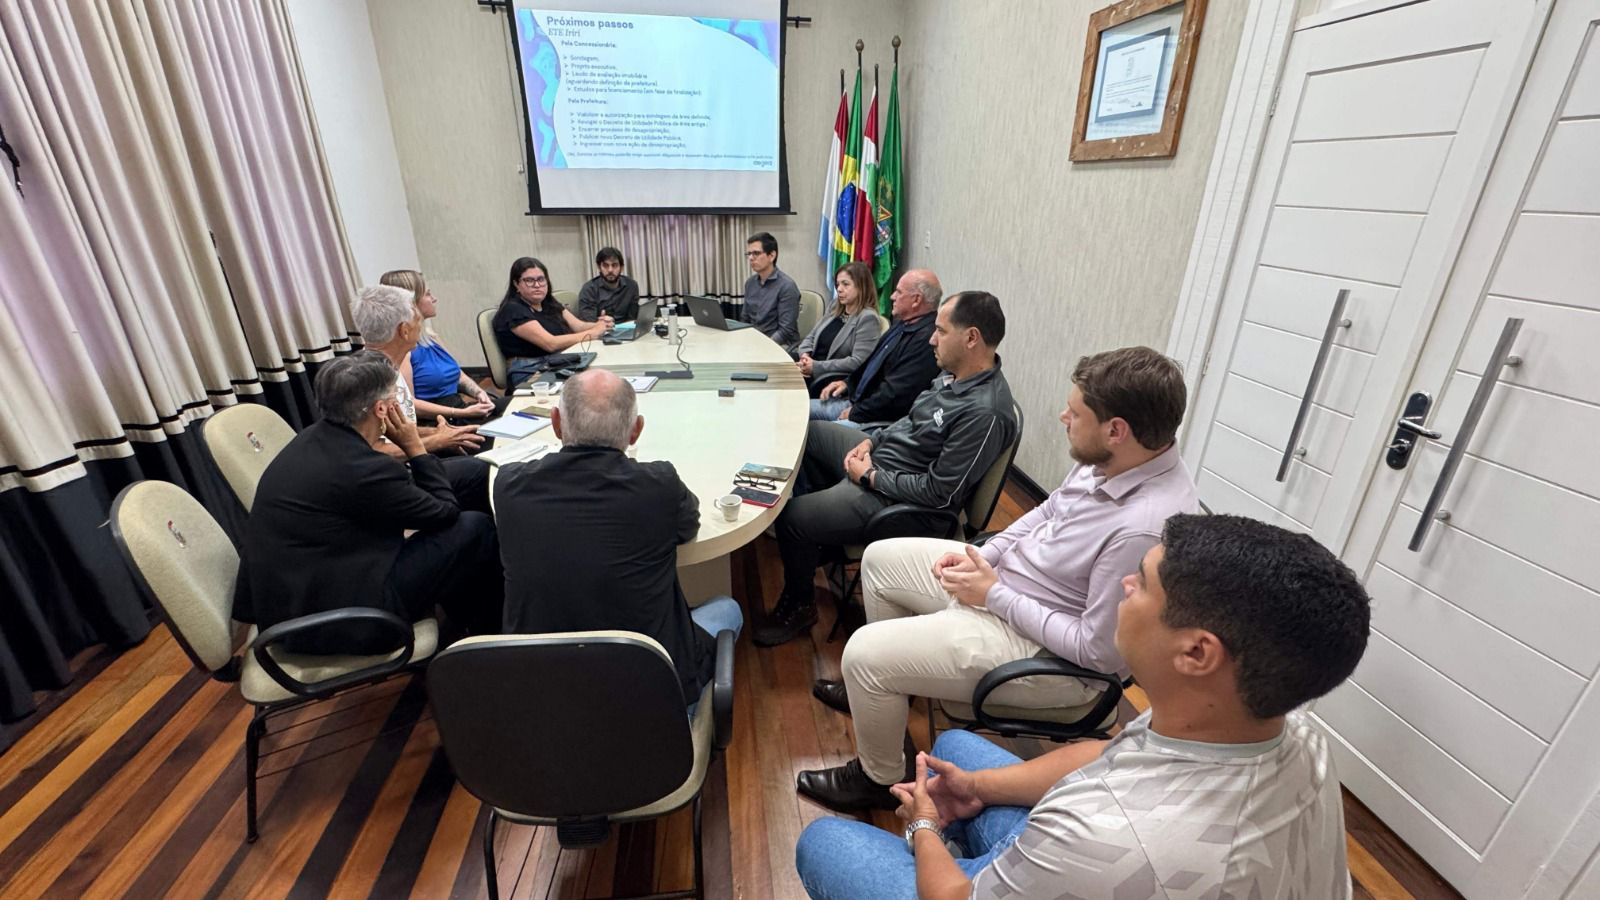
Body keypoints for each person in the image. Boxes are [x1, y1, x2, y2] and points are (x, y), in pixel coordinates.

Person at [794, 513, 1371, 899]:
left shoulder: (1107, 837)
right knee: (956, 749)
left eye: (1142, 583)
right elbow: (1114, 753)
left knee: (825, 843)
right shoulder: (1280, 727)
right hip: (1115, 856)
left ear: (1197, 653)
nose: (1123, 586)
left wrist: (922, 825)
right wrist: (977, 788)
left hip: (1112, 859)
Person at [797, 347, 1199, 811]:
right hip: (1007, 589)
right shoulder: (1114, 458)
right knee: (880, 560)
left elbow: (1097, 652)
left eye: (1076, 412)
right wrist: (983, 555)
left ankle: (879, 779)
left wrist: (993, 595)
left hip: (1049, 652)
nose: (1063, 416)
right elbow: (1048, 510)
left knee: (864, 655)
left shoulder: (1142, 527)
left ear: (1116, 430)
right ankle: (891, 694)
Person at [754, 291, 1017, 649]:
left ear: (971, 338)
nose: (931, 339)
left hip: (897, 500)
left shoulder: (985, 412)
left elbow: (940, 494)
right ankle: (817, 542)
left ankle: (800, 605)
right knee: (809, 434)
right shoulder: (954, 376)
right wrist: (871, 442)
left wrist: (870, 476)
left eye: (941, 331)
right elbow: (909, 420)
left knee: (792, 517)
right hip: (881, 461)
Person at [495, 369, 744, 709]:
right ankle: (691, 716)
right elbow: (687, 526)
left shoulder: (509, 487)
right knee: (727, 609)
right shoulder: (659, 485)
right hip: (650, 701)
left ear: (555, 423)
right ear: (636, 430)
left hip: (545, 700)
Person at [234, 351, 504, 653]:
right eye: (395, 397)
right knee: (474, 527)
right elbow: (446, 513)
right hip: (340, 619)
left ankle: (468, 607)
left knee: (471, 472)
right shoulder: (361, 470)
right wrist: (415, 447)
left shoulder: (317, 437)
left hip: (309, 585)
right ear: (381, 409)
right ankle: (489, 633)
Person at [351, 284, 491, 513]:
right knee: (481, 469)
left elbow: (396, 431)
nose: (421, 323)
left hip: (407, 462)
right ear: (404, 330)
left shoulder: (384, 367)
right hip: (392, 480)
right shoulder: (370, 383)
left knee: (481, 442)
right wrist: (436, 440)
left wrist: (440, 433)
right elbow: (373, 451)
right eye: (417, 317)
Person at [810, 269, 941, 429]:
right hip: (857, 402)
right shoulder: (903, 323)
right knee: (797, 410)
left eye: (899, 292)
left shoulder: (925, 340)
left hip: (874, 419)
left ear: (916, 300)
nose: (892, 296)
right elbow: (871, 364)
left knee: (811, 431)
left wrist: (855, 413)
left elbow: (895, 395)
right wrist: (847, 383)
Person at [379, 269, 508, 425]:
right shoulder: (403, 351)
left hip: (459, 410)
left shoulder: (430, 336)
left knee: (520, 407)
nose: (434, 299)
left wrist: (479, 392)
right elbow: (409, 406)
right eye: (428, 294)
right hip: (440, 423)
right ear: (411, 303)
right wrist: (461, 413)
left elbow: (458, 375)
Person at [492, 257, 610, 388]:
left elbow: (578, 326)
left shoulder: (548, 302)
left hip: (556, 362)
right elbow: (551, 344)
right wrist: (592, 334)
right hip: (530, 371)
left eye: (541, 279)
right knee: (589, 387)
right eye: (529, 280)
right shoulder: (513, 309)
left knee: (602, 377)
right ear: (516, 284)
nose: (537, 285)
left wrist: (601, 324)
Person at [794, 261, 884, 397]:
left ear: (862, 286)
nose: (839, 289)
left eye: (845, 284)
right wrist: (804, 356)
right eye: (838, 284)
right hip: (809, 368)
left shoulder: (867, 318)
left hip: (828, 379)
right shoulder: (835, 306)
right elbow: (811, 336)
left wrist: (816, 367)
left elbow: (857, 362)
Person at [741, 232, 801, 350]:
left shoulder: (787, 286)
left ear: (772, 256)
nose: (751, 258)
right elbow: (745, 319)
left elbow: (785, 331)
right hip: (755, 342)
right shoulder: (750, 283)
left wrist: (763, 346)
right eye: (749, 254)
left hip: (780, 345)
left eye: (756, 253)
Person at [575, 246, 641, 322]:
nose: (610, 270)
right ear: (599, 267)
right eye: (605, 265)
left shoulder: (632, 286)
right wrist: (601, 323)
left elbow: (633, 318)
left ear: (622, 267)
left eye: (614, 265)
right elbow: (588, 322)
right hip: (600, 328)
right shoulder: (589, 289)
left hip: (626, 328)